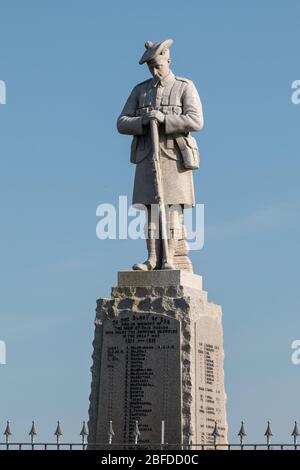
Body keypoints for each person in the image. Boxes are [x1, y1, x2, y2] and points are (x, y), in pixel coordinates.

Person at [117, 39, 204, 271]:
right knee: (150, 210)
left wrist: (165, 119)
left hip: (175, 157)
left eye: (158, 65)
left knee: (173, 210)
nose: (155, 71)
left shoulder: (185, 86)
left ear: (168, 59)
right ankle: (153, 258)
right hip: (148, 156)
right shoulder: (140, 91)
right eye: (151, 67)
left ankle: (171, 259)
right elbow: (122, 122)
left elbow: (196, 121)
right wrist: (143, 121)